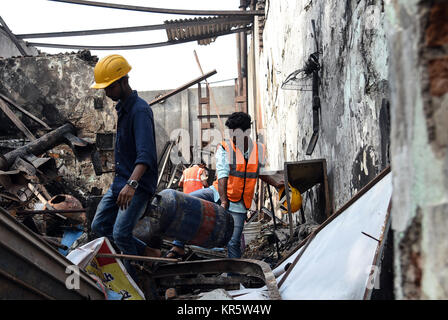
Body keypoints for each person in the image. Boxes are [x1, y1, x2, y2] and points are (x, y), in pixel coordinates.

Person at [166, 112, 283, 259]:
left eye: (236, 134)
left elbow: (259, 172)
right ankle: (178, 246)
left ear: (247, 132)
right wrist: (223, 201)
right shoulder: (225, 147)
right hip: (217, 192)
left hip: (239, 203)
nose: (232, 138)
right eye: (231, 133)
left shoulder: (258, 150)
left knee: (233, 243)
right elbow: (222, 174)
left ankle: (234, 277)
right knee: (187, 203)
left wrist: (276, 183)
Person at [90, 54, 158, 281]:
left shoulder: (139, 110)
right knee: (99, 226)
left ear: (121, 82)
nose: (106, 93)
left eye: (108, 87)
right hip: (121, 183)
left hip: (136, 185)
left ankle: (135, 283)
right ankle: (147, 253)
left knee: (120, 233)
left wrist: (131, 184)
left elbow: (146, 154)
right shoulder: (123, 109)